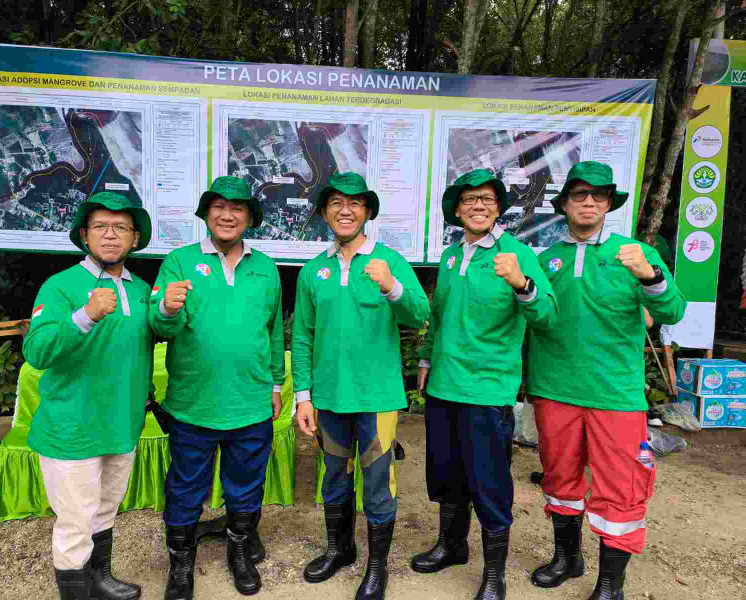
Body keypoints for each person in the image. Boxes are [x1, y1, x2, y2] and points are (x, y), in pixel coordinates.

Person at [527, 161, 686, 599]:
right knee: (560, 478)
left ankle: (611, 583)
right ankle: (567, 558)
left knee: (621, 486)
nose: (589, 202)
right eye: (579, 194)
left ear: (608, 205)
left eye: (598, 195)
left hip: (615, 394)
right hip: (554, 388)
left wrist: (649, 275)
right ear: (564, 203)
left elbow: (673, 310)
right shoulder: (544, 260)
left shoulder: (634, 253)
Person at [412, 169, 557, 600]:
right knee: (447, 474)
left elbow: (548, 316)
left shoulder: (518, 255)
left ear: (498, 209)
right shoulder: (451, 256)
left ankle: (495, 575)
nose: (478, 205)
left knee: (489, 482)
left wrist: (522, 283)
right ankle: (452, 545)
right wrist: (426, 358)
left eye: (487, 199)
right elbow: (439, 316)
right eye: (470, 199)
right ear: (457, 210)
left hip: (487, 390)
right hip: (444, 386)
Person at [292, 173, 430, 600]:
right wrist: (303, 397)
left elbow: (420, 314)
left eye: (355, 203)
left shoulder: (388, 260)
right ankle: (340, 550)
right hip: (329, 397)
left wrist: (391, 286)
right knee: (334, 477)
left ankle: (376, 568)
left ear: (367, 211)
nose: (345, 210)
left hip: (376, 399)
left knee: (377, 483)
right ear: (324, 213)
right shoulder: (313, 271)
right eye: (336, 203)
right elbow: (303, 336)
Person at [149, 176, 284, 599]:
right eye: (219, 207)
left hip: (251, 403)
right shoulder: (179, 262)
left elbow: (274, 333)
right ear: (207, 213)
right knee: (185, 487)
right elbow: (159, 326)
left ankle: (239, 552)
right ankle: (181, 567)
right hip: (194, 404)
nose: (228, 215)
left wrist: (276, 384)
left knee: (246, 485)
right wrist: (166, 307)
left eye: (237, 208)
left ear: (249, 217)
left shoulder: (265, 268)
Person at [23, 187, 154, 600]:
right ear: (84, 235)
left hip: (121, 425)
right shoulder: (61, 286)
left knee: (105, 510)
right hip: (72, 429)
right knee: (75, 523)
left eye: (121, 227)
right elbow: (37, 351)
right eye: (101, 226)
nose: (111, 235)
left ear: (135, 238)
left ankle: (100, 581)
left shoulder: (141, 289)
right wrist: (84, 316)